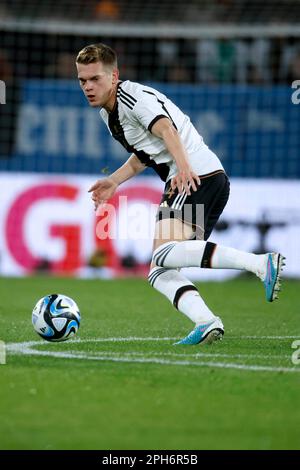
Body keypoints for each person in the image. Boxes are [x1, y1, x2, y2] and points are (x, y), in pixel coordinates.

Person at [76, 43, 285, 345]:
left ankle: (261, 264)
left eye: (95, 78)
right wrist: (114, 181)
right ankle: (206, 321)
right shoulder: (108, 115)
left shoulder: (131, 97)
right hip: (199, 176)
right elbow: (146, 153)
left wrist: (184, 169)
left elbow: (166, 130)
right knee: (159, 269)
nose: (88, 86)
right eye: (83, 80)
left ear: (114, 76)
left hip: (196, 174)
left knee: (162, 255)